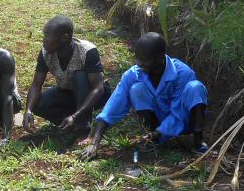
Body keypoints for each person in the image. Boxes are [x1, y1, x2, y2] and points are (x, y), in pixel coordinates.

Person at [80, 32, 207, 161]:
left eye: (144, 59)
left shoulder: (183, 73)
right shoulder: (133, 74)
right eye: (137, 58)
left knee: (195, 87)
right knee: (136, 89)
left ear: (160, 57)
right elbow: (112, 107)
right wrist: (94, 144)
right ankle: (155, 138)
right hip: (159, 125)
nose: (139, 63)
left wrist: (161, 131)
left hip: (184, 122)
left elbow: (178, 113)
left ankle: (198, 142)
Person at [22, 15, 110, 134]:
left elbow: (98, 88)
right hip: (69, 93)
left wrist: (75, 116)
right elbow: (36, 85)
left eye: (47, 35)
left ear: (64, 38)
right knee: (37, 104)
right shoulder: (45, 53)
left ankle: (82, 124)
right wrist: (28, 111)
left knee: (79, 76)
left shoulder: (87, 51)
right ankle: (68, 124)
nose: (43, 39)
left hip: (94, 96)